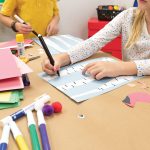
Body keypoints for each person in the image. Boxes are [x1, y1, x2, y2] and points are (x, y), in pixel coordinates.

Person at [42, 0, 150, 80]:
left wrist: (120, 67)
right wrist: (63, 58)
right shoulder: (128, 16)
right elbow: (94, 42)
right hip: (129, 83)